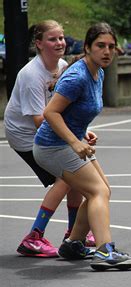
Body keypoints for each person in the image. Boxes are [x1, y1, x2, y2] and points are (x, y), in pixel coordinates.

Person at [32, 22, 131, 271]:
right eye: (100, 46)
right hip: (52, 147)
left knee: (103, 190)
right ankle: (105, 251)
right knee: (97, 192)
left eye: (111, 47)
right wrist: (74, 141)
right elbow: (50, 113)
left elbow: (73, 112)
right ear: (87, 47)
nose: (107, 51)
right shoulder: (77, 76)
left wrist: (83, 133)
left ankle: (74, 244)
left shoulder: (98, 71)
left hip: (71, 143)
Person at [3, 20, 95, 258]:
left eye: (61, 38)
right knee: (66, 178)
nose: (60, 43)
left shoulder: (63, 65)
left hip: (48, 129)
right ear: (39, 44)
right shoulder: (31, 75)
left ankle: (75, 234)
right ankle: (33, 237)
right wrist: (73, 136)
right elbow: (39, 120)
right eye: (53, 39)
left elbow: (63, 109)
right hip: (25, 135)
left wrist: (81, 132)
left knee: (73, 172)